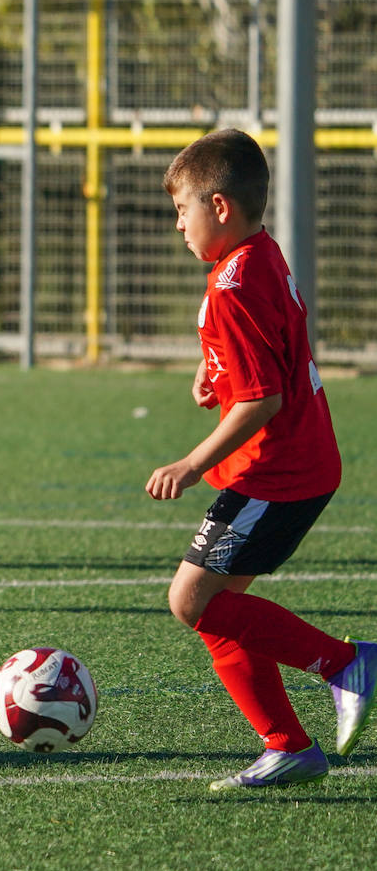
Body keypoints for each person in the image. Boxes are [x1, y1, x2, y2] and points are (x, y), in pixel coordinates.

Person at [147, 128, 375, 790]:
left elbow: (263, 401)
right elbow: (263, 350)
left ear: (220, 207)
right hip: (300, 463)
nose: (177, 225)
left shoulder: (231, 286)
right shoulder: (259, 256)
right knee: (216, 607)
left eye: (182, 210)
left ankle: (344, 664)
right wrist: (212, 369)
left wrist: (189, 465)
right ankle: (287, 746)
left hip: (275, 471)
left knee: (190, 600)